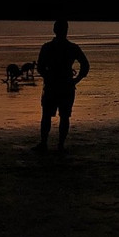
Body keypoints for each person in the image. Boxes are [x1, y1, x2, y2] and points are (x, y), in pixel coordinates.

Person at [34, 19, 89, 153]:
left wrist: (48, 77)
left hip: (54, 86)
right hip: (66, 86)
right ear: (66, 30)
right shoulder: (72, 47)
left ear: (54, 30)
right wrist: (76, 80)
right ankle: (59, 145)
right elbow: (85, 65)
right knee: (64, 116)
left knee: (47, 115)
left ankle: (45, 143)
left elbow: (40, 67)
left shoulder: (47, 47)